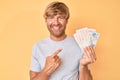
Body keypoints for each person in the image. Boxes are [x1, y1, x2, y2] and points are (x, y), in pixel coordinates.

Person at [29, 1, 96, 80]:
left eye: (60, 17)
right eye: (51, 17)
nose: (56, 22)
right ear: (46, 21)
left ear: (66, 21)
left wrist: (83, 66)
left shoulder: (79, 45)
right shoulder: (37, 47)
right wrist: (46, 71)